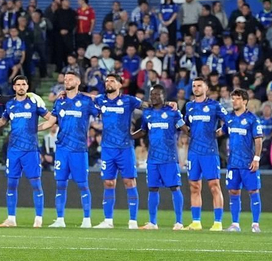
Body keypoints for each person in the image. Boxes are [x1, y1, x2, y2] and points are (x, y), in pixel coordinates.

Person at [0, 75, 53, 228]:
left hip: (30, 150)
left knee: (36, 184)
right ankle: (11, 219)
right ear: (14, 87)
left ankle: (38, 219)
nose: (21, 87)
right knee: (11, 184)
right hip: (13, 150)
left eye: (23, 84)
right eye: (18, 84)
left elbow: (51, 119)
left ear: (27, 87)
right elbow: (2, 121)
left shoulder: (34, 103)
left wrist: (37, 128)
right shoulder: (10, 104)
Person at [92, 72, 142, 229]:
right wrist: (70, 93)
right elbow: (88, 97)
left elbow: (148, 105)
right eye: (107, 81)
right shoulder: (101, 100)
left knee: (129, 181)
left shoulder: (129, 100)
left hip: (125, 148)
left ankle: (133, 221)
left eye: (112, 81)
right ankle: (108, 220)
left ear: (120, 84)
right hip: (107, 149)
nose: (108, 83)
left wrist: (167, 104)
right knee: (108, 182)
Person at [49, 70, 94, 228]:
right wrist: (33, 128)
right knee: (60, 184)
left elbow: (100, 111)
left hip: (78, 149)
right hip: (62, 149)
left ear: (78, 82)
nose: (66, 81)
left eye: (70, 79)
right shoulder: (59, 101)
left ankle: (87, 220)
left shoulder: (86, 101)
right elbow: (50, 122)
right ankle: (60, 219)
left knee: (82, 184)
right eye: (65, 79)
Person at [183, 78, 226, 231]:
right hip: (194, 152)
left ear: (206, 88)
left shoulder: (215, 105)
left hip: (209, 152)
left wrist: (220, 132)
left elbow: (229, 120)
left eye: (199, 85)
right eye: (194, 86)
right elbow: (186, 126)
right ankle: (196, 222)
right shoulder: (189, 106)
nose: (196, 88)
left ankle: (218, 223)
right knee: (194, 186)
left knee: (214, 186)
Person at [140, 90, 185, 231]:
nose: (153, 97)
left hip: (169, 157)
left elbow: (184, 128)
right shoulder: (147, 113)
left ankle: (179, 222)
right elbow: (143, 131)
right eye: (152, 95)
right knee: (152, 188)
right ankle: (152, 222)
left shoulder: (173, 112)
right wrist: (128, 136)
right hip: (153, 158)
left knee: (175, 187)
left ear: (163, 96)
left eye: (156, 95)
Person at [225, 89, 264, 233]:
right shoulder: (229, 118)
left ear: (245, 101)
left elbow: (258, 139)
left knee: (253, 190)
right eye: (233, 98)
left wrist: (256, 159)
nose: (234, 101)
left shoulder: (252, 119)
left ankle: (255, 224)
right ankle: (235, 224)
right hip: (233, 162)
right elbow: (222, 131)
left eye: (237, 99)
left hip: (248, 162)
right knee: (233, 192)